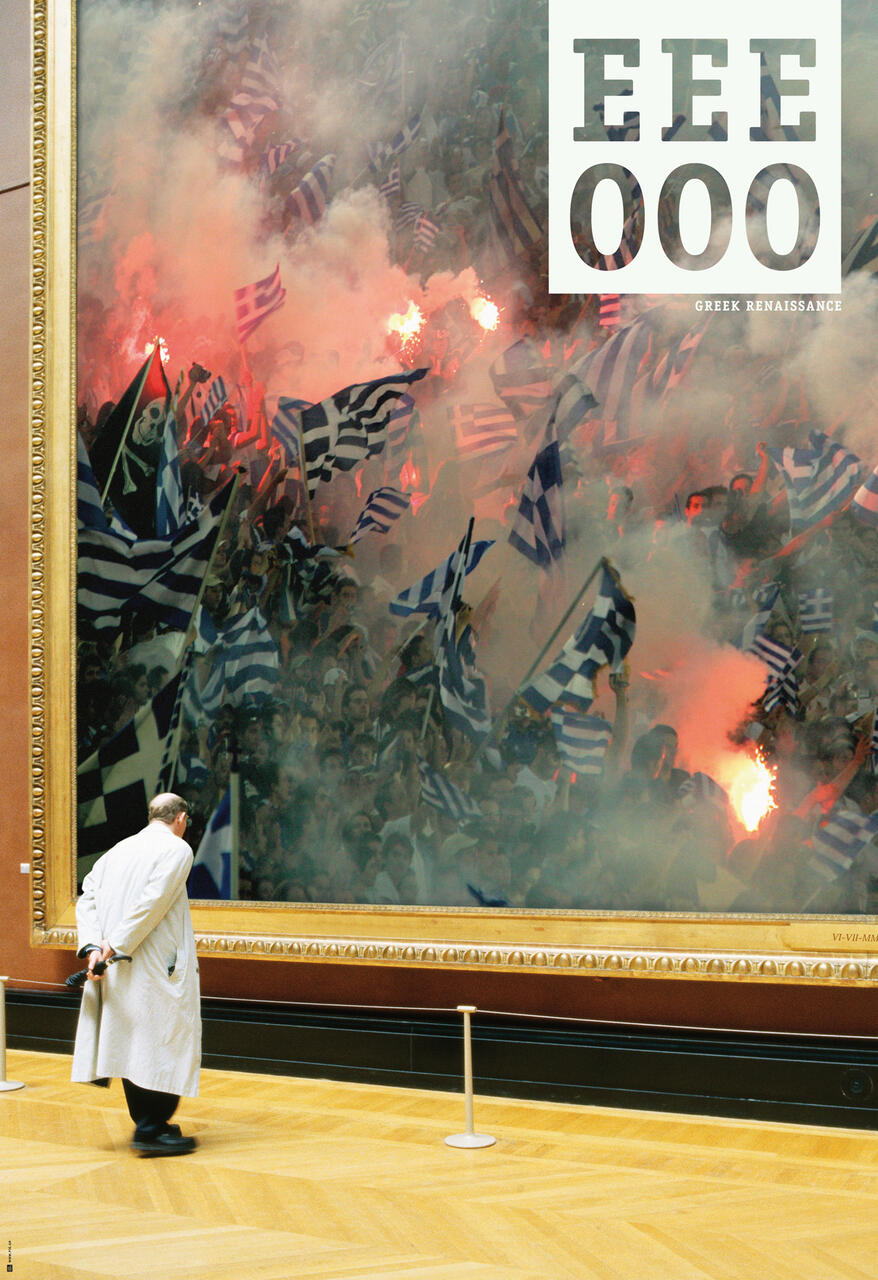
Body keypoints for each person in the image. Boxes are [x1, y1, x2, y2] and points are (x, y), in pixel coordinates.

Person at [71, 793, 201, 1157]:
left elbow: (88, 897)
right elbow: (153, 903)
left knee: (134, 1043)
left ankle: (151, 1124)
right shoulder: (178, 850)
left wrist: (95, 946)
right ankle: (150, 1130)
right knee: (162, 1044)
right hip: (155, 966)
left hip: (119, 964)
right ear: (181, 819)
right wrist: (111, 946)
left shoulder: (117, 851)